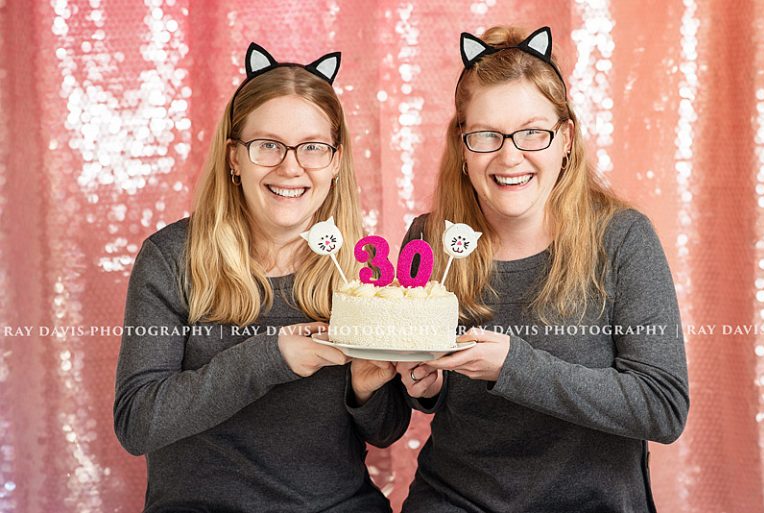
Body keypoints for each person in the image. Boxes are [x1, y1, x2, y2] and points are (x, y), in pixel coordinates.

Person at [396, 26, 689, 513]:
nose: (510, 156)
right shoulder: (430, 240)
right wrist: (423, 387)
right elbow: (417, 394)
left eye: (533, 132)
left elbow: (662, 407)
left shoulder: (622, 238)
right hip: (454, 499)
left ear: (566, 138)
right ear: (462, 145)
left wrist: (514, 366)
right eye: (487, 135)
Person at [113, 42, 410, 513]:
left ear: (335, 161)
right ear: (234, 157)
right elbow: (138, 422)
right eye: (267, 145)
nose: (290, 167)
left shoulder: (359, 267)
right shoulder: (172, 258)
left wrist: (365, 388)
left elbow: (386, 430)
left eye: (312, 148)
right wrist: (270, 358)